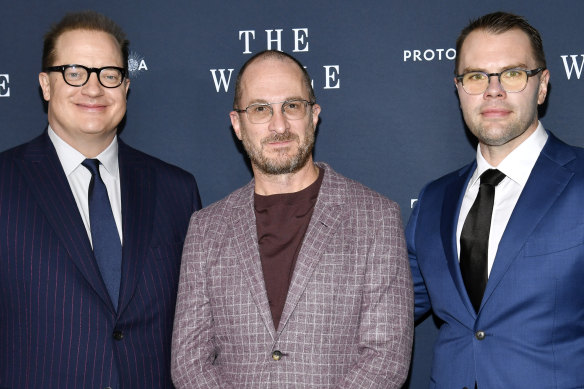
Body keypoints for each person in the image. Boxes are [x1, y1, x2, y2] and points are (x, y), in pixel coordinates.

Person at [171, 50, 413, 388]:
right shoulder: (206, 228)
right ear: (238, 125)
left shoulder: (376, 218)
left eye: (292, 106)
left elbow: (386, 359)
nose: (279, 125)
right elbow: (189, 362)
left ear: (313, 116)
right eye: (260, 109)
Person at [0, 10, 201, 389]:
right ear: (46, 85)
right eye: (74, 72)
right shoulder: (5, 182)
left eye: (109, 75)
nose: (93, 89)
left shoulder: (176, 190)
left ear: (125, 87)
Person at [407, 11, 584, 388]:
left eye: (513, 73)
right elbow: (387, 310)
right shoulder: (433, 200)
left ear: (542, 85)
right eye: (475, 76)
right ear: (459, 90)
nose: (493, 90)